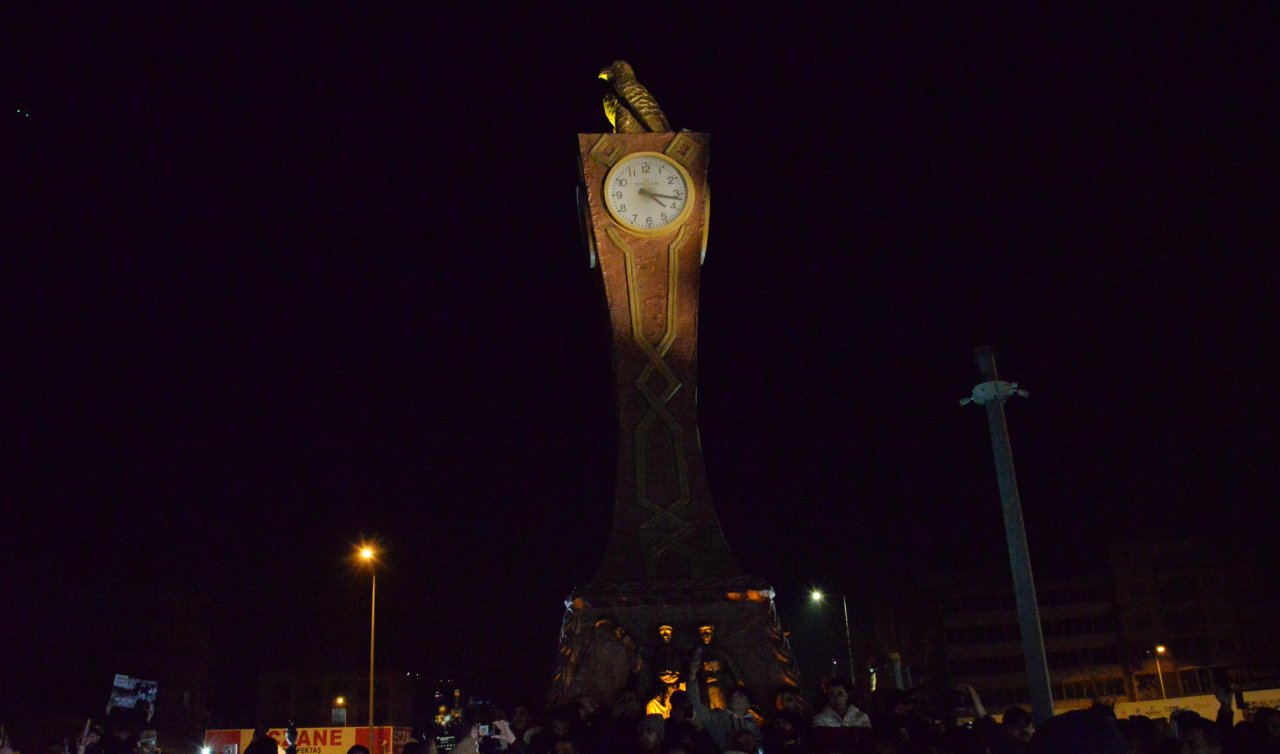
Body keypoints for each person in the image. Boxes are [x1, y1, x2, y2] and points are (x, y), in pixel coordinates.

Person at [810, 678, 871, 753]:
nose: (836, 698)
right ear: (827, 698)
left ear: (847, 696)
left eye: (840, 694)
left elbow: (868, 742)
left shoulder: (862, 716)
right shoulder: (819, 718)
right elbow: (821, 740)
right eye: (832, 695)